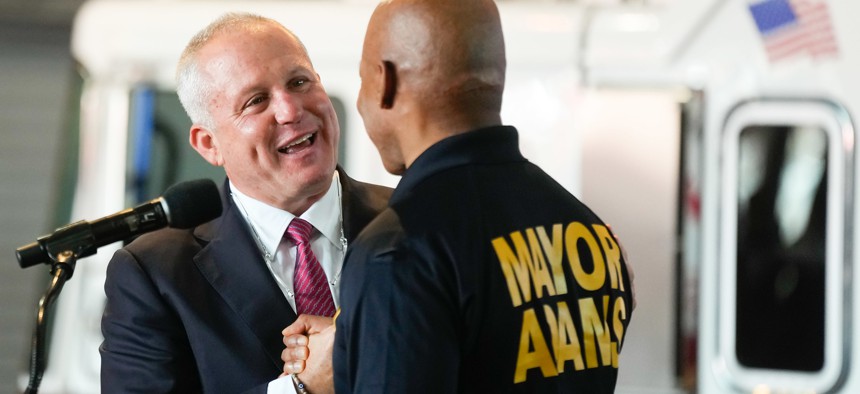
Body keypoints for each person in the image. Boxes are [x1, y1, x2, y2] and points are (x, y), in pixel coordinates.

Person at [281, 0, 635, 392]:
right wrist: (362, 337)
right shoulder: (589, 229)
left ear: (386, 83)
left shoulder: (399, 250)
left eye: (363, 82)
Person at [99, 12, 391, 394]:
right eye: (256, 101)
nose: (290, 110)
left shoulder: (417, 221)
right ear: (209, 144)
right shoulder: (154, 275)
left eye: (299, 82)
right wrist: (301, 388)